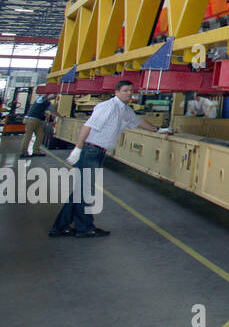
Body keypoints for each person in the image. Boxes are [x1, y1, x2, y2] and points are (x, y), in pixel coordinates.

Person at [49, 80, 159, 238]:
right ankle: (84, 228)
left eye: (131, 90)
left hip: (98, 152)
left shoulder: (125, 110)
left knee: (80, 191)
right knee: (85, 191)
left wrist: (158, 129)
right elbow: (87, 126)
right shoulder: (108, 107)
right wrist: (78, 148)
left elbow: (138, 122)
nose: (129, 93)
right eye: (125, 90)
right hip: (91, 151)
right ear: (116, 92)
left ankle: (60, 227)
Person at [18, 94, 52, 158]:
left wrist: (60, 116)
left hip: (38, 120)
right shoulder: (41, 99)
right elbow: (44, 95)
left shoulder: (48, 103)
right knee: (28, 136)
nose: (54, 96)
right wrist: (49, 92)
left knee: (40, 135)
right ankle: (23, 152)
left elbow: (53, 111)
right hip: (31, 119)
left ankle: (36, 151)